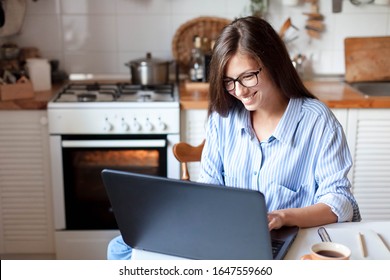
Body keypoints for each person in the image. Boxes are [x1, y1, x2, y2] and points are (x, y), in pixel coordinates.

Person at [107, 16, 361, 260]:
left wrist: (283, 217)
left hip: (288, 241)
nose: (239, 91)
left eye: (248, 76)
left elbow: (339, 202)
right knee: (120, 248)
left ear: (274, 64)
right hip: (225, 236)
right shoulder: (224, 118)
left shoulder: (316, 121)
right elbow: (209, 186)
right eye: (229, 81)